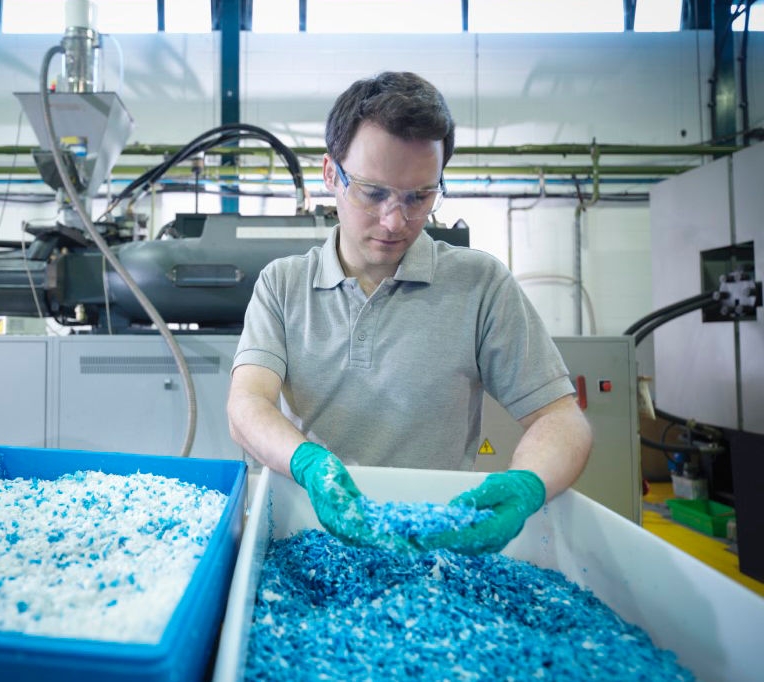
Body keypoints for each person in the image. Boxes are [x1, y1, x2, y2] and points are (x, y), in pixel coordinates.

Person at [226, 71, 593, 555]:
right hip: (307, 534)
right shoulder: (284, 283)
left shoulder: (481, 285)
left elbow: (561, 419)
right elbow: (248, 405)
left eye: (419, 196)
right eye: (373, 193)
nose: (395, 221)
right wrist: (312, 466)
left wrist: (528, 485)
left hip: (437, 543)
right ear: (331, 174)